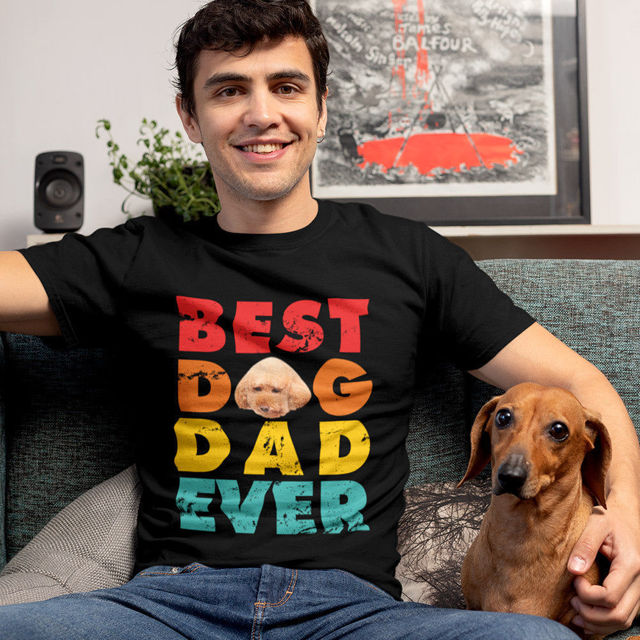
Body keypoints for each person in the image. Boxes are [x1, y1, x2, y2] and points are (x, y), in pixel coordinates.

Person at [0, 1, 639, 638]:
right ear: (190, 117)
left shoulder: (409, 257)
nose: (262, 113)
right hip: (171, 606)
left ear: (322, 108)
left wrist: (628, 519)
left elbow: (582, 386)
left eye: (286, 87)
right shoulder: (139, 257)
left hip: (353, 613)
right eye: (229, 90)